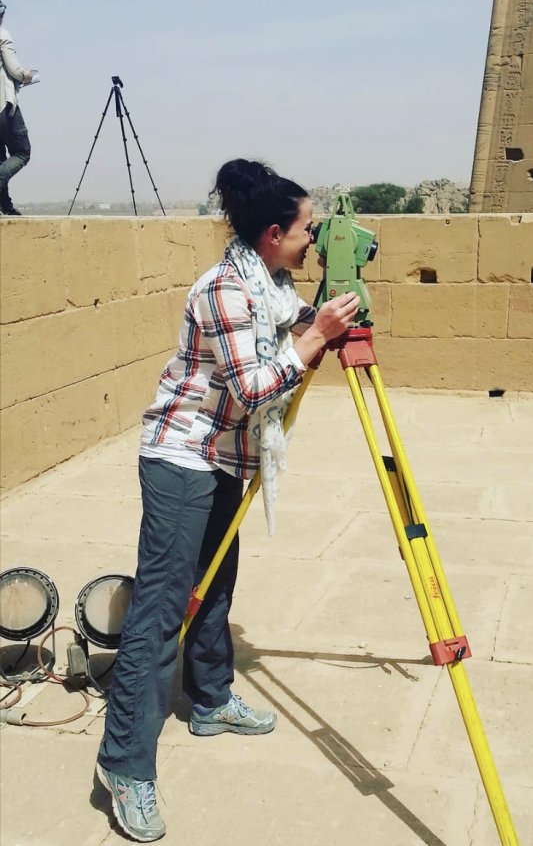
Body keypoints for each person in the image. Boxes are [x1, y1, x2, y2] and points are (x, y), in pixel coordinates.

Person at [95, 158, 360, 842]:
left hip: (223, 460)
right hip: (182, 455)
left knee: (215, 587)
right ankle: (123, 764)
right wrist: (311, 340)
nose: (313, 240)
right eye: (307, 230)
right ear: (273, 233)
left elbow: (299, 321)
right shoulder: (224, 291)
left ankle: (210, 698)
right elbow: (251, 388)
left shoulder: (270, 285)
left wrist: (328, 315)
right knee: (161, 609)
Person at [0, 0, 32, 216]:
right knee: (22, 152)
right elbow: (15, 70)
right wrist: (27, 76)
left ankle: (5, 206)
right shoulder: (2, 34)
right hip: (3, 105)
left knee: (1, 159)